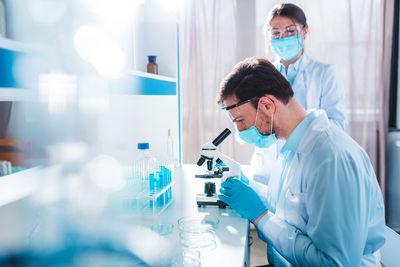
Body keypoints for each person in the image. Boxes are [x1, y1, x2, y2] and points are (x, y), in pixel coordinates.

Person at [217, 57, 385, 266]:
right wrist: (246, 185)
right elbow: (289, 207)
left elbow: (335, 263)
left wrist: (261, 218)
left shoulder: (330, 159)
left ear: (267, 105)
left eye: (240, 120)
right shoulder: (291, 144)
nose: (239, 132)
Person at [252, 3, 346, 185]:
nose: (282, 38)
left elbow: (337, 126)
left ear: (305, 31)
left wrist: (295, 130)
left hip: (309, 165)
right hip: (267, 170)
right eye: (276, 33)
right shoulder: (259, 76)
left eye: (290, 31)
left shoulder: (325, 74)